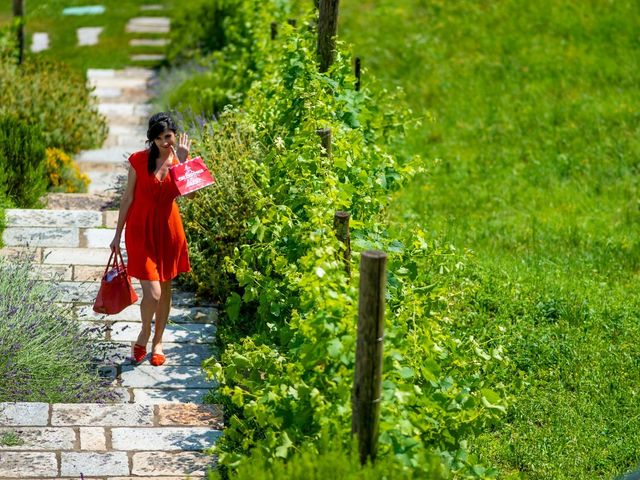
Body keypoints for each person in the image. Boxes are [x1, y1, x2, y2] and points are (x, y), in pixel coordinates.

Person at [110, 112, 194, 367]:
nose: (164, 142)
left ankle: (158, 341)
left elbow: (190, 197)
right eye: (158, 138)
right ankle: (145, 331)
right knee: (154, 293)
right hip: (140, 231)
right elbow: (127, 199)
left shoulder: (182, 161)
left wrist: (182, 163)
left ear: (175, 135)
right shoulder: (138, 160)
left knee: (165, 289)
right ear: (152, 139)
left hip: (169, 233)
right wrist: (116, 234)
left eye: (167, 137)